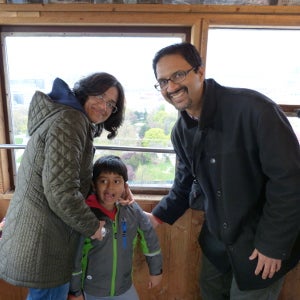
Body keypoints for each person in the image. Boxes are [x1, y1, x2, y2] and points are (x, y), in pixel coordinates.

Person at [147, 42, 300, 300]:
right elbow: (184, 185)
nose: (170, 87)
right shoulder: (181, 131)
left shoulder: (254, 110)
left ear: (200, 71)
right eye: (162, 82)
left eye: (178, 75)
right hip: (217, 247)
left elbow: (290, 181)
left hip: (261, 247)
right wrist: (155, 217)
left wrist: (273, 245)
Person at [0, 72, 132, 300]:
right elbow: (61, 191)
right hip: (45, 241)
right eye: (100, 96)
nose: (104, 106)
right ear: (85, 91)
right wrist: (93, 227)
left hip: (40, 234)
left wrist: (113, 188)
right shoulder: (71, 120)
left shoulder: (66, 117)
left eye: (111, 104)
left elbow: (66, 177)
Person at [68, 155, 163, 300]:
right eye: (103, 181)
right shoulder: (86, 215)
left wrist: (156, 271)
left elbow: (149, 236)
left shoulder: (132, 210)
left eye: (116, 181)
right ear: (94, 184)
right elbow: (75, 255)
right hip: (92, 290)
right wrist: (75, 291)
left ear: (125, 185)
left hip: (124, 287)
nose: (110, 187)